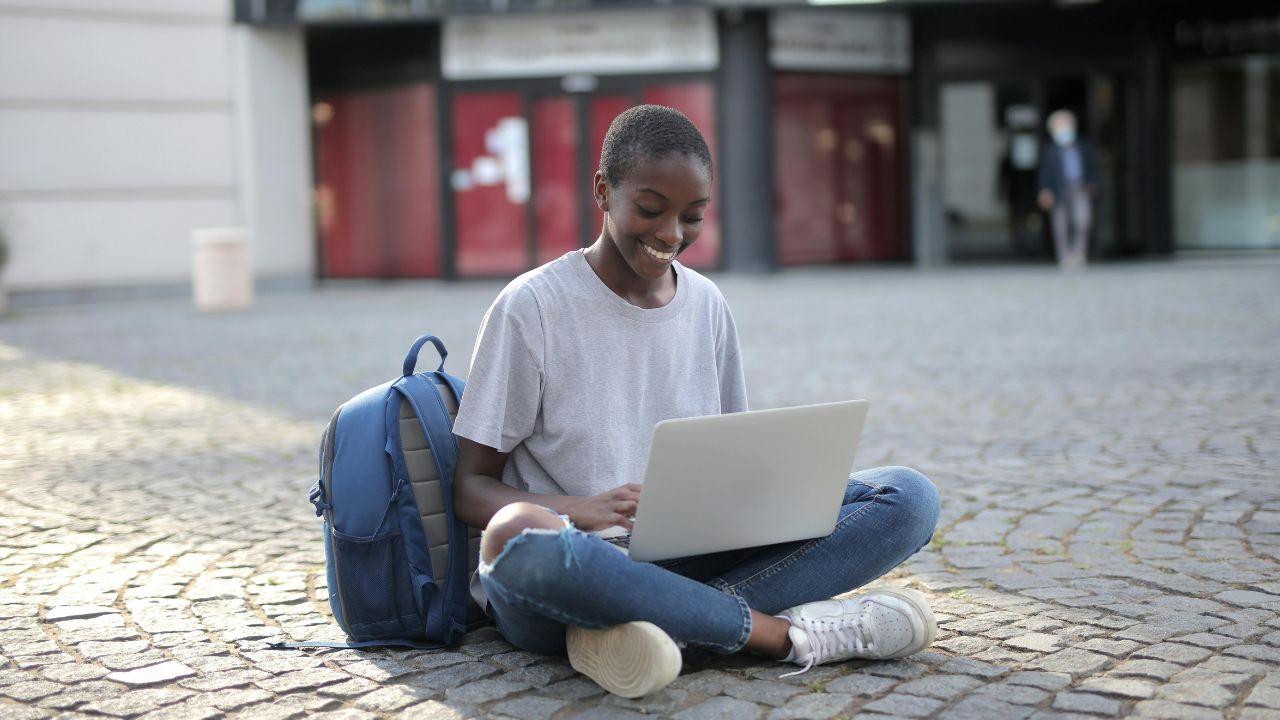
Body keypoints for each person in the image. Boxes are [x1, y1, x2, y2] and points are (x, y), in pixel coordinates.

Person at [452, 104, 941, 698]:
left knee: (908, 496)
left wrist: (768, 493)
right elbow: (471, 490)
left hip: (686, 556)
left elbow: (731, 459)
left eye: (693, 218)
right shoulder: (531, 308)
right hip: (574, 570)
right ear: (603, 191)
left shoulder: (707, 305)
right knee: (516, 531)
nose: (670, 236)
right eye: (651, 210)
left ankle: (653, 632)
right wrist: (584, 509)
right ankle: (782, 637)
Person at [1037, 109, 1099, 270]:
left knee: (1083, 220)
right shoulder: (1049, 150)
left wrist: (1093, 183)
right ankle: (1064, 256)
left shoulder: (1083, 146)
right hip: (1058, 190)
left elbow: (1092, 167)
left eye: (1065, 125)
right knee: (1060, 225)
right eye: (1059, 126)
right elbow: (1045, 172)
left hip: (1079, 188)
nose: (1063, 130)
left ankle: (1079, 254)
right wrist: (1045, 191)